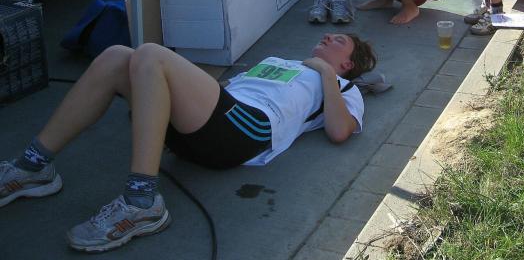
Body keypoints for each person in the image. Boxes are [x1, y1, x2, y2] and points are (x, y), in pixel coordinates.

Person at [0, 35, 376, 252]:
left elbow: (339, 131)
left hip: (247, 129)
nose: (328, 37)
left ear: (348, 63)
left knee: (150, 53)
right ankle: (32, 166)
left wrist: (326, 73)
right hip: (216, 118)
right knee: (117, 56)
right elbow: (224, 90)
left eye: (339, 41)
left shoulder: (344, 87)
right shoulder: (279, 60)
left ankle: (141, 202)